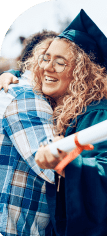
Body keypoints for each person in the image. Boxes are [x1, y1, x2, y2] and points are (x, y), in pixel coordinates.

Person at [1, 9, 107, 236]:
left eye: (60, 62)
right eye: (45, 58)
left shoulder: (100, 115)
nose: (47, 67)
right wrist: (10, 74)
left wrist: (69, 164)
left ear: (81, 73)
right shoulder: (61, 109)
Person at [0, 38, 57, 235]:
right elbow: (52, 169)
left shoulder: (14, 90)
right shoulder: (29, 98)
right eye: (46, 58)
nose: (53, 67)